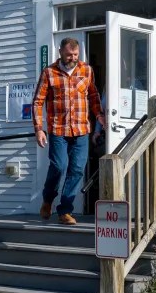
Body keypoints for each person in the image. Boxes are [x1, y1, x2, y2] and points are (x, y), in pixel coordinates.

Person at [31, 38, 104, 225]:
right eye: (69, 54)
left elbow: (94, 96)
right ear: (60, 52)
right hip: (58, 129)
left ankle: (65, 210)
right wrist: (39, 129)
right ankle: (48, 200)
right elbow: (38, 102)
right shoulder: (49, 72)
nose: (72, 58)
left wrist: (100, 116)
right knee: (59, 166)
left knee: (77, 170)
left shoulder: (86, 70)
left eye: (76, 55)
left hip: (81, 129)